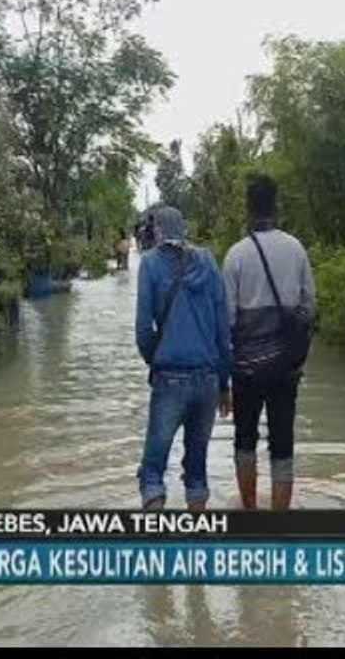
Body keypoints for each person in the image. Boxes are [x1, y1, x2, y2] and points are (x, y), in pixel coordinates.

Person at [222, 173, 315, 511]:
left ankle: (250, 514)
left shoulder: (235, 255)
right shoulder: (296, 249)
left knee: (245, 441)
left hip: (246, 370)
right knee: (283, 444)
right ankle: (280, 522)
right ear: (276, 207)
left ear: (248, 210)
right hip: (285, 368)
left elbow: (226, 321)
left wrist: (224, 378)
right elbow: (309, 306)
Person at [135, 206, 232, 511]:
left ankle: (155, 534)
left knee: (152, 472)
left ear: (158, 231)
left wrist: (156, 360)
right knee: (197, 472)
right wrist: (224, 383)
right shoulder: (208, 261)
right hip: (208, 379)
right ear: (184, 229)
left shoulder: (150, 263)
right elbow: (223, 329)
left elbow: (143, 329)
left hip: (170, 378)